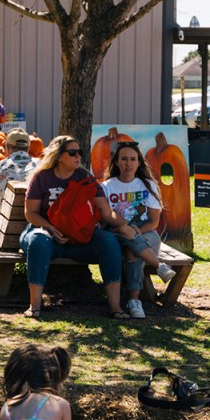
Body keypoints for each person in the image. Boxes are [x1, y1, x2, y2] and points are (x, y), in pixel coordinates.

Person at [20, 135, 126, 318]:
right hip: (48, 237)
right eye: (72, 152)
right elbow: (31, 213)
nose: (78, 156)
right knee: (38, 239)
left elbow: (106, 212)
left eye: (80, 152)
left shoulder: (85, 178)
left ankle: (116, 308)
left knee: (109, 241)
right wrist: (50, 228)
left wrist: (127, 226)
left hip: (80, 238)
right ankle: (34, 306)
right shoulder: (42, 178)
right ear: (59, 156)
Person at [100, 141, 177, 319]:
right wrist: (125, 228)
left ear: (139, 163)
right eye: (124, 159)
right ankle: (159, 268)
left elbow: (153, 222)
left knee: (132, 251)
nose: (128, 163)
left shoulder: (147, 185)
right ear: (117, 162)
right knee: (128, 241)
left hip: (147, 234)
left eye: (133, 159)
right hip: (118, 233)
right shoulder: (106, 187)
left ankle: (134, 301)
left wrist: (136, 231)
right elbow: (105, 218)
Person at [0, 128, 36, 228]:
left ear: (7, 148)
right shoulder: (41, 167)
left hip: (5, 226)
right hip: (34, 224)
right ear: (28, 149)